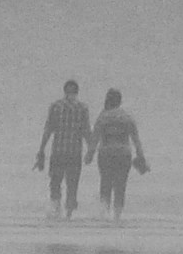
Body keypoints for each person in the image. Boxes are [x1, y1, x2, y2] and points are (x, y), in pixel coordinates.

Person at [34, 79, 91, 217]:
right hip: (74, 153)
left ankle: (56, 210)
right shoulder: (82, 108)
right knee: (72, 185)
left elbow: (48, 129)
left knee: (55, 182)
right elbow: (86, 132)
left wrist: (41, 149)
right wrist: (91, 150)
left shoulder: (56, 107)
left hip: (58, 152)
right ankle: (69, 214)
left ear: (64, 91)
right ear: (77, 92)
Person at [92, 88, 149, 221]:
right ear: (120, 101)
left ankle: (104, 213)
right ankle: (117, 215)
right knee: (120, 185)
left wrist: (90, 153)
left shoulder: (103, 116)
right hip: (124, 154)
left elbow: (95, 136)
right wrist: (141, 156)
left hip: (105, 153)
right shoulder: (127, 117)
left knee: (105, 183)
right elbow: (136, 139)